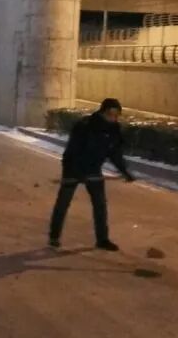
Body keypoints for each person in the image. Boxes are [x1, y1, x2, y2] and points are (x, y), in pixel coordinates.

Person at [48, 98, 135, 251]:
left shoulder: (114, 129)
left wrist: (125, 171)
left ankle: (102, 239)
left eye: (116, 115)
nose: (113, 118)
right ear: (102, 112)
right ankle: (54, 236)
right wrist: (78, 173)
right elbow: (73, 151)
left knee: (100, 204)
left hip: (94, 169)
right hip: (73, 167)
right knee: (63, 203)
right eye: (111, 114)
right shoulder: (85, 126)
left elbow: (114, 153)